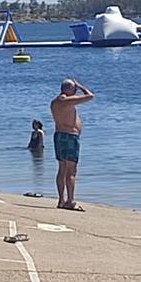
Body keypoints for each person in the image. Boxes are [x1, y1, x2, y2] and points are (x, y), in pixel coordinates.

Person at [50, 78, 94, 211]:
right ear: (69, 89)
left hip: (59, 135)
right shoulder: (66, 101)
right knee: (71, 171)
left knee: (62, 168)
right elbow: (90, 96)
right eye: (74, 89)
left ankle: (61, 200)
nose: (75, 92)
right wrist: (80, 86)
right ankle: (70, 200)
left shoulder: (55, 102)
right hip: (69, 136)